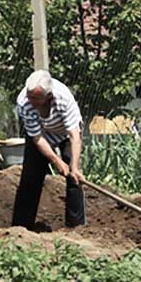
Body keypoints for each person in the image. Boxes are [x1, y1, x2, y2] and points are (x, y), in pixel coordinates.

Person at [12, 70, 87, 230]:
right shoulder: (23, 102)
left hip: (66, 134)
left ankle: (76, 228)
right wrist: (56, 161)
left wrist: (73, 167)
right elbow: (37, 138)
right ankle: (21, 227)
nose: (31, 100)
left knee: (74, 179)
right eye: (30, 96)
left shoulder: (63, 98)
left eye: (35, 98)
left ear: (48, 96)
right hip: (42, 135)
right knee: (30, 177)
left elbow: (74, 135)